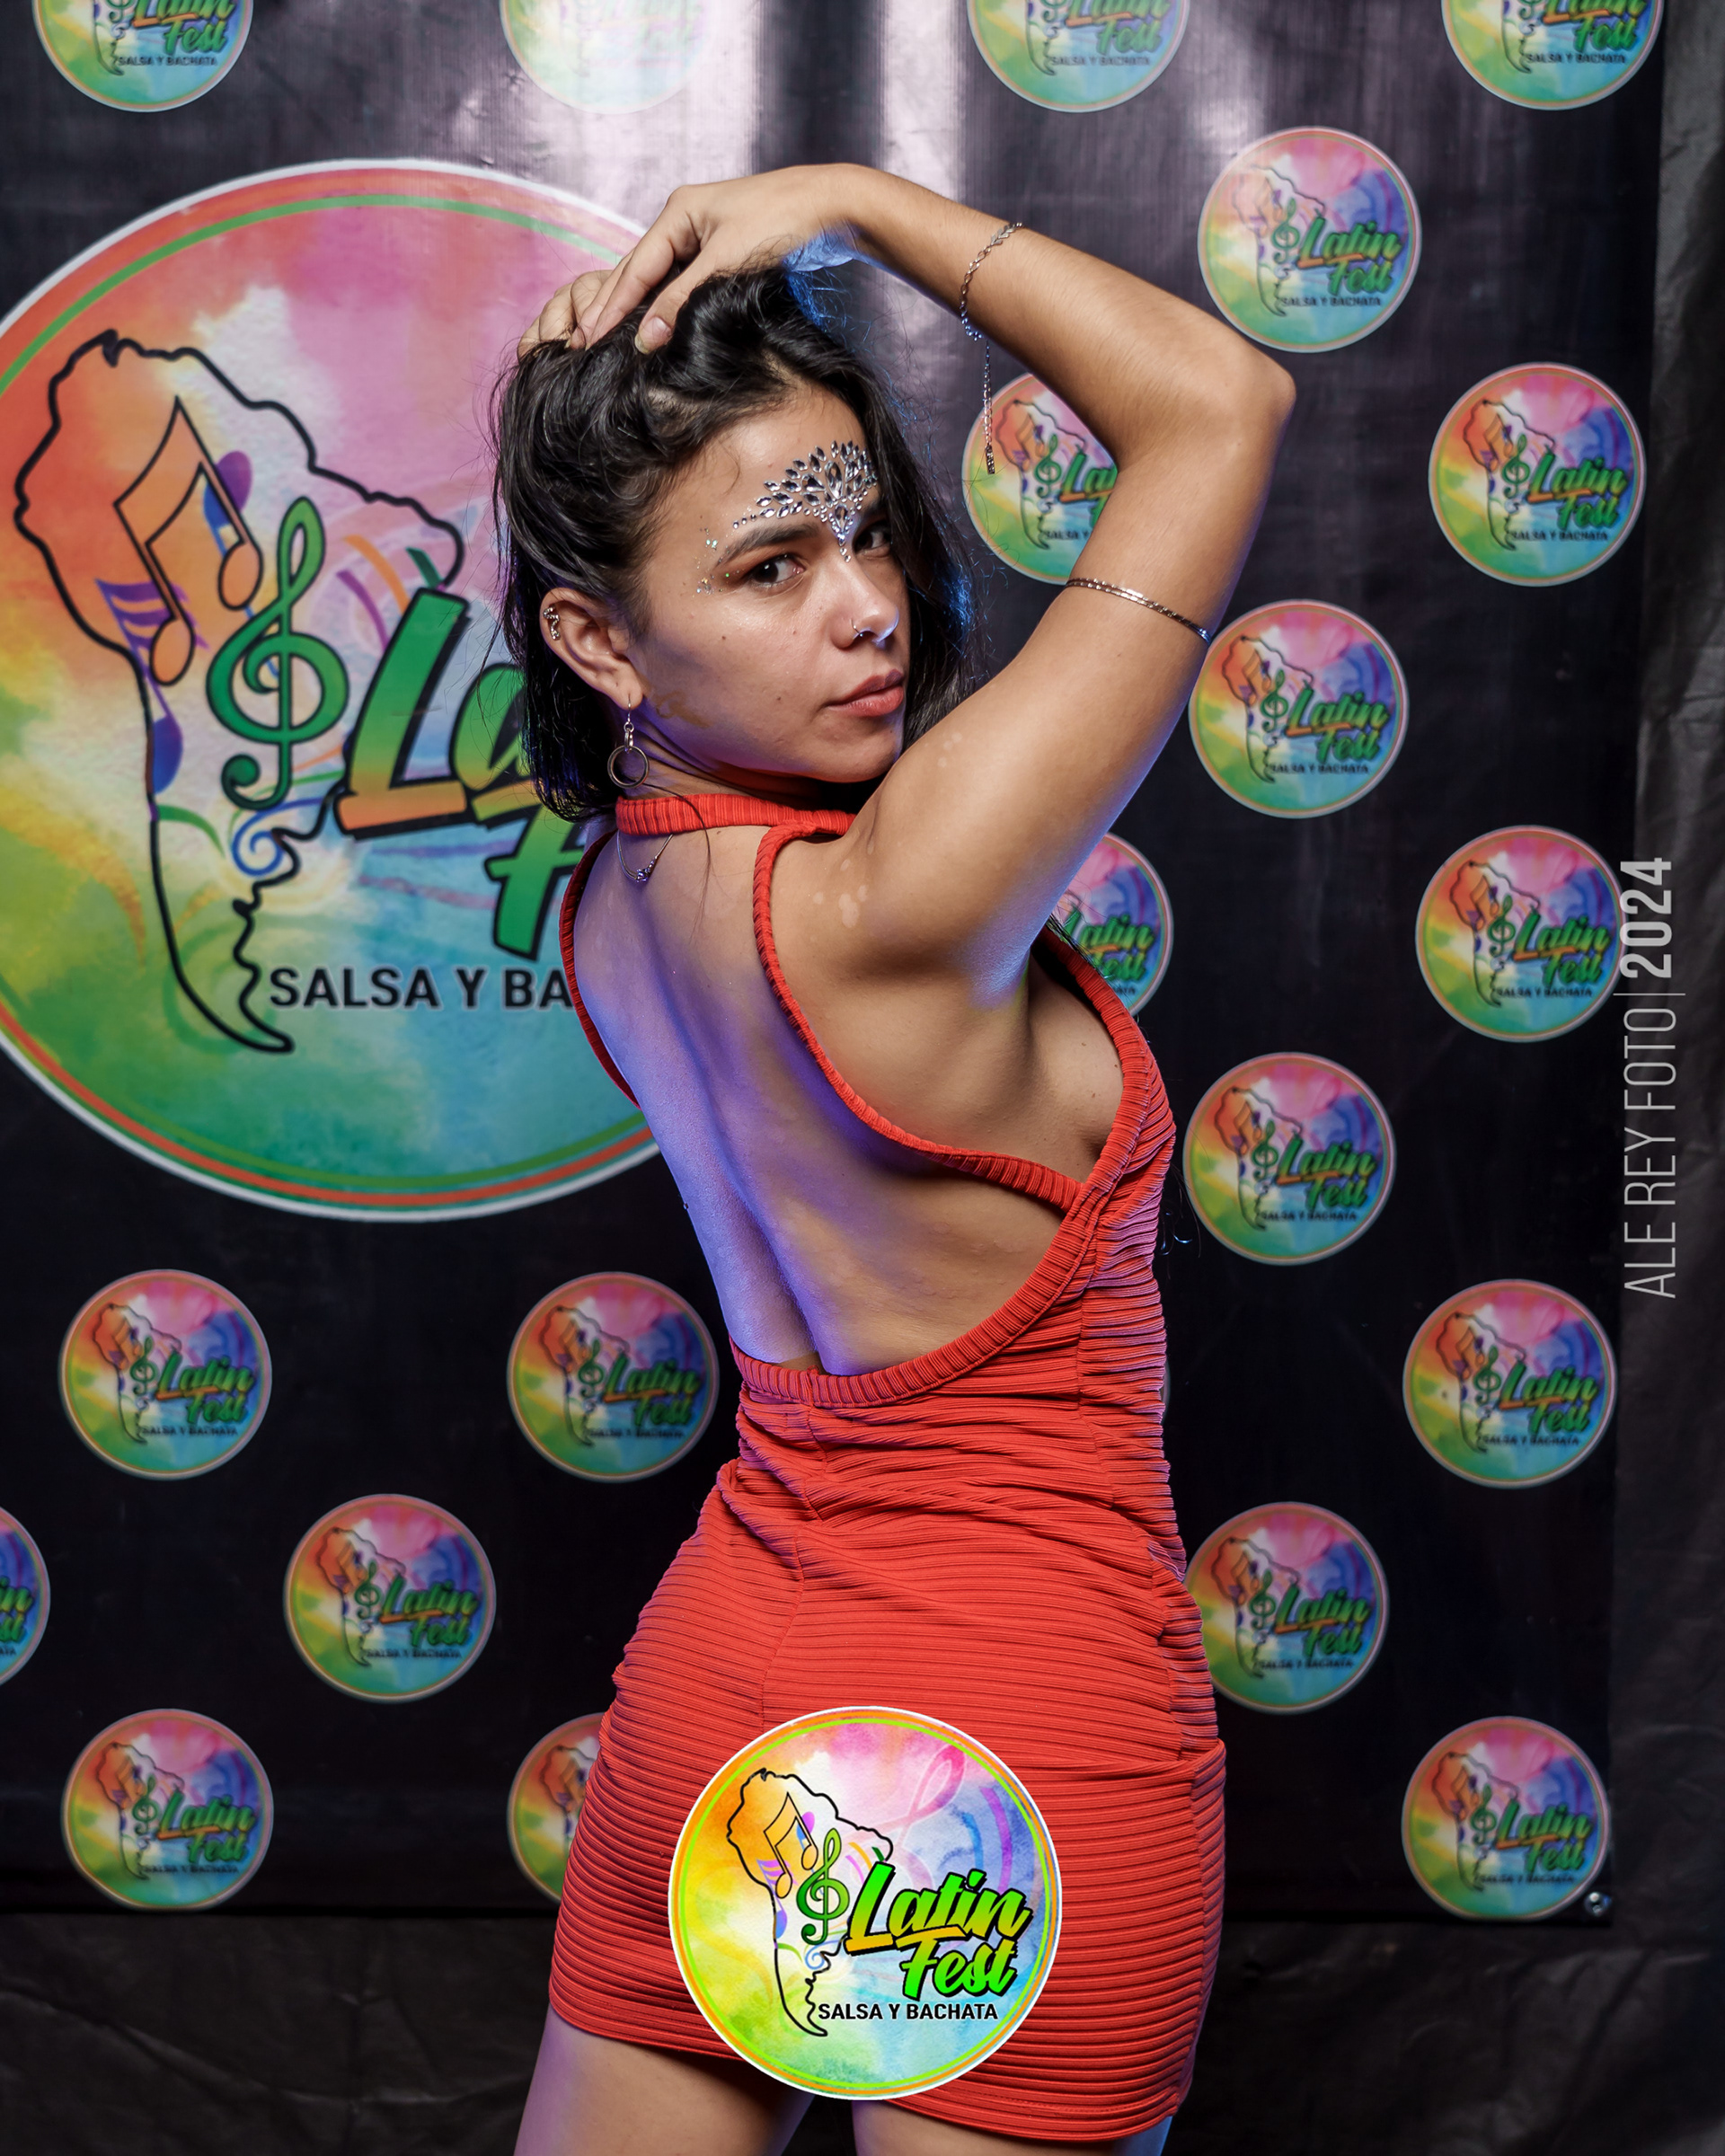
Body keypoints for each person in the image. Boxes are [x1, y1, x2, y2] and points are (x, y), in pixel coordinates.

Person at [499, 164, 1293, 2156]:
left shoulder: (611, 903)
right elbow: (1220, 403)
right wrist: (855, 198)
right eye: (768, 569)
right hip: (1019, 1744)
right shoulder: (904, 888)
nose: (866, 602)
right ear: (600, 638)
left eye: (862, 526)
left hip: (725, 1703)